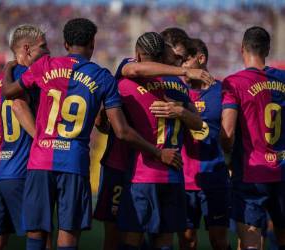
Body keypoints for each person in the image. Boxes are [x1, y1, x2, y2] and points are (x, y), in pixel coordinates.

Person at [2, 19, 182, 250]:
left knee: (36, 233)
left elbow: (9, 93)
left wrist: (8, 67)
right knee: (68, 235)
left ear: (65, 43)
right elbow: (121, 131)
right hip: (74, 164)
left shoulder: (44, 65)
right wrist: (158, 152)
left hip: (40, 162)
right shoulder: (102, 76)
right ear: (92, 43)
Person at [94, 31, 207, 250]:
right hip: (148, 168)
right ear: (163, 55)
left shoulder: (125, 85)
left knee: (122, 236)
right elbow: (199, 124)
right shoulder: (177, 84)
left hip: (140, 170)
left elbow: (112, 126)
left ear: (138, 53)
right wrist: (185, 75)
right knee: (161, 239)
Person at [150, 38, 230, 250]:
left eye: (185, 60)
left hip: (214, 176)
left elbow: (227, 135)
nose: (182, 66)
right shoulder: (175, 90)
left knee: (219, 241)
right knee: (187, 241)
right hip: (183, 178)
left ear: (201, 58)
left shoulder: (222, 91)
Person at [0, 24, 49, 250]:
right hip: (20, 172)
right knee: (41, 233)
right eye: (43, 46)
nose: (48, 51)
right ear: (26, 48)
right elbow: (19, 106)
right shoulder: (27, 78)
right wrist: (42, 142)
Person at [221, 26, 285, 250]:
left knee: (250, 243)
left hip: (251, 173)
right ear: (267, 49)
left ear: (242, 49)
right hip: (282, 170)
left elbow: (227, 132)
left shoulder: (234, 83)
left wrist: (227, 157)